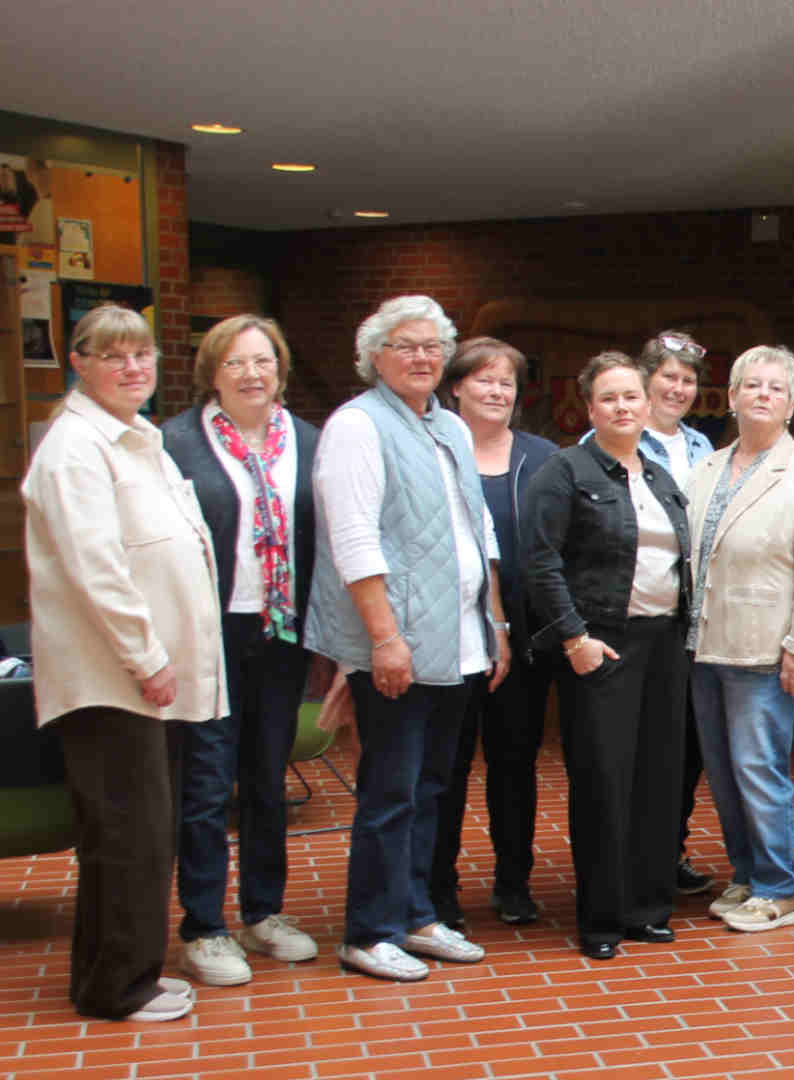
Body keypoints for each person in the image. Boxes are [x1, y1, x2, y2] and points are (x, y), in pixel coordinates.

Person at [23, 304, 229, 1021]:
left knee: (141, 834)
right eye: (113, 356)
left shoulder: (135, 438)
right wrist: (146, 656)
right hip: (112, 682)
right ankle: (117, 987)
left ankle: (121, 972)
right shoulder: (75, 448)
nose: (132, 368)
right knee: (128, 839)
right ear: (78, 362)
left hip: (144, 680)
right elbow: (96, 569)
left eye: (141, 355)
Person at [304, 295, 510, 982]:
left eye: (432, 345)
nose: (422, 357)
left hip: (456, 640)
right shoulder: (357, 426)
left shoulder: (448, 427)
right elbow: (354, 538)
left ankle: (418, 915)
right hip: (396, 644)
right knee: (390, 790)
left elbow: (477, 531)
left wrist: (497, 625)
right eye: (405, 345)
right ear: (374, 358)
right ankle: (369, 930)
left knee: (432, 788)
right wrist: (384, 640)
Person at [161, 315, 323, 987]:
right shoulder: (175, 443)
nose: (252, 374)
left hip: (280, 632)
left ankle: (264, 913)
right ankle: (204, 924)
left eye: (263, 361)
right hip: (207, 634)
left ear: (281, 369)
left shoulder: (309, 443)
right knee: (204, 782)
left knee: (265, 776)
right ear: (211, 373)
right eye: (236, 363)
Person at [525, 352, 693, 960]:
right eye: (609, 398)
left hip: (665, 644)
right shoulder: (564, 472)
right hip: (601, 645)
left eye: (631, 397)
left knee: (658, 779)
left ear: (648, 405)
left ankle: (647, 909)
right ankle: (601, 919)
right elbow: (540, 562)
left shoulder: (660, 476)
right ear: (589, 408)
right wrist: (573, 638)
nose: (623, 407)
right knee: (602, 780)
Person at [687, 345, 794, 932]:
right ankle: (749, 874)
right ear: (731, 396)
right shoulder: (704, 468)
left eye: (775, 388)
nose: (762, 395)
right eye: (751, 385)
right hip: (704, 644)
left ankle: (782, 888)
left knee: (759, 768)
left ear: (791, 404)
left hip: (765, 648)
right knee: (724, 771)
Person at [429, 338, 559, 929]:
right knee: (447, 768)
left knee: (514, 765)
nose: (496, 390)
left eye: (506, 381)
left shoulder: (542, 457)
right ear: (454, 386)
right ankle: (439, 890)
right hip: (451, 636)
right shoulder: (432, 450)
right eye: (483, 379)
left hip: (524, 640)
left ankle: (513, 884)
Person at [631, 330, 719, 898]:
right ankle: (631, 854)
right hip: (639, 612)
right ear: (645, 380)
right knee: (639, 742)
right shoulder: (615, 437)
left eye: (688, 380)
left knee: (687, 743)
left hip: (694, 618)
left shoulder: (705, 449)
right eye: (668, 376)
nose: (678, 388)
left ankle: (670, 848)